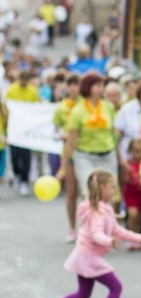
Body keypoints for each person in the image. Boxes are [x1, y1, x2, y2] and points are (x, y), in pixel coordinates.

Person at [38, 169, 141, 298]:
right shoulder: (97, 212)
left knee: (83, 294)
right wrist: (109, 241)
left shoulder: (104, 208)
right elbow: (96, 234)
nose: (114, 191)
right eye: (112, 187)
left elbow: (116, 229)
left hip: (84, 255)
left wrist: (138, 237)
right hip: (88, 257)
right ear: (101, 188)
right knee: (116, 287)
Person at [58, 72, 119, 198]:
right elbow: (71, 142)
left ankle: (106, 218)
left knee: (108, 195)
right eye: (98, 85)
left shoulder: (108, 106)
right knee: (90, 194)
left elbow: (113, 134)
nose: (102, 89)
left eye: (102, 85)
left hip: (107, 155)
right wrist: (63, 168)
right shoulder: (77, 111)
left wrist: (120, 158)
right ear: (88, 87)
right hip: (85, 157)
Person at [52, 74, 80, 242]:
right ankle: (72, 228)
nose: (73, 88)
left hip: (85, 152)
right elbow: (54, 131)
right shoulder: (61, 108)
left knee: (87, 194)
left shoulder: (87, 105)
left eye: (76, 84)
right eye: (70, 85)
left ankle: (88, 229)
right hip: (69, 154)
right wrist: (62, 136)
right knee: (71, 192)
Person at [6, 70, 41, 196]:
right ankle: (17, 174)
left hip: (27, 128)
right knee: (15, 155)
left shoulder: (33, 90)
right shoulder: (11, 90)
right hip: (15, 128)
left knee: (26, 156)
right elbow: (7, 107)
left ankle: (24, 180)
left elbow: (36, 106)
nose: (24, 83)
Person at [122, 139, 141, 248]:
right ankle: (131, 237)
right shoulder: (127, 164)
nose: (138, 154)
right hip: (130, 192)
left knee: (139, 217)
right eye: (136, 152)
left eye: (140, 152)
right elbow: (122, 180)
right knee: (133, 214)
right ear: (130, 151)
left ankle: (138, 238)